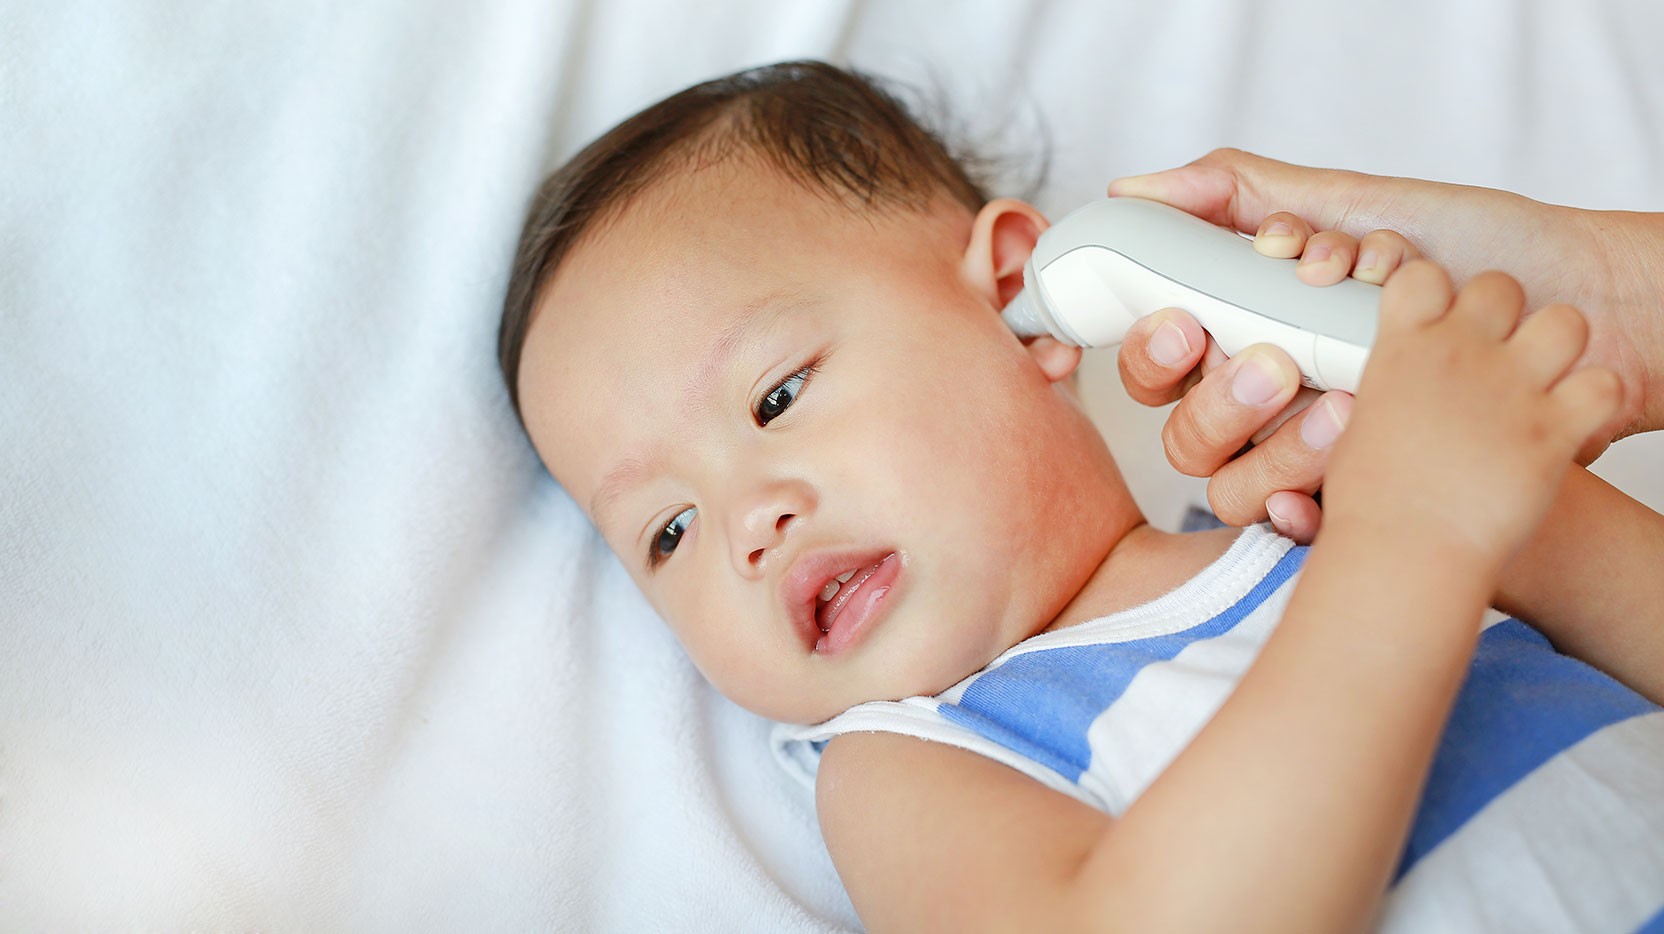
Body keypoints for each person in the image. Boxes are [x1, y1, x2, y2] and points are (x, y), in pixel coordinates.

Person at [499, 61, 1664, 930]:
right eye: (667, 529)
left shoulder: (1326, 504)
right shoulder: (913, 761)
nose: (747, 523)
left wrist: (1481, 474)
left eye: (773, 398)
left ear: (1012, 289)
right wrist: (1414, 545)